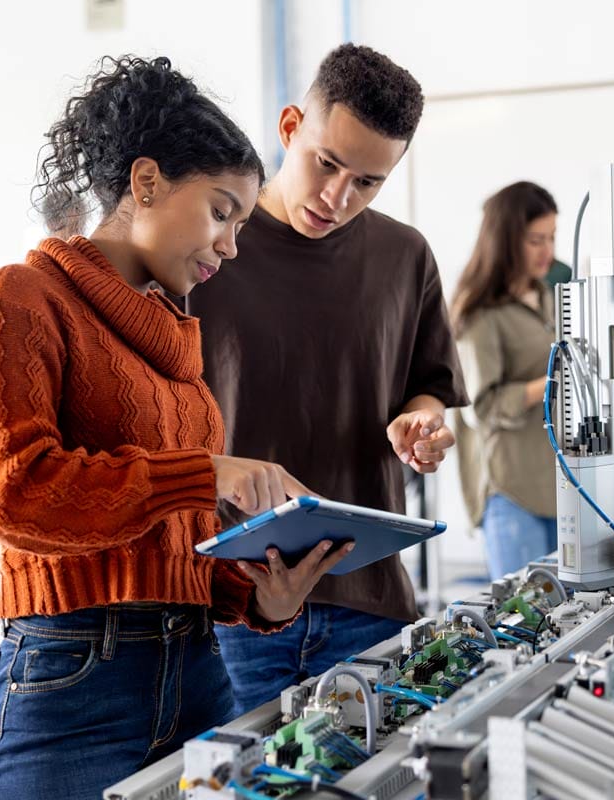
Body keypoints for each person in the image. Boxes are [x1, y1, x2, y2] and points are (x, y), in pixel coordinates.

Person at [0, 56, 351, 800]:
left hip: (197, 669)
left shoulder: (172, 337)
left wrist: (257, 596)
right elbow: (17, 494)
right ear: (147, 181)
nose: (230, 245)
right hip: (72, 681)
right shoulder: (25, 300)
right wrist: (203, 473)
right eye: (222, 212)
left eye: (242, 225)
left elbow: (168, 539)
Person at [185, 44, 468, 715]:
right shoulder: (207, 244)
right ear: (289, 128)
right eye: (327, 163)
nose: (338, 196)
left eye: (367, 181)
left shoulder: (404, 255)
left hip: (368, 598)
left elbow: (429, 386)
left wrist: (422, 424)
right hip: (230, 600)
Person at [450, 182, 559, 581]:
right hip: (511, 491)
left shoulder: (547, 297)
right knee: (526, 624)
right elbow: (481, 408)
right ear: (507, 240)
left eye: (551, 237)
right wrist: (548, 384)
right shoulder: (480, 312)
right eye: (536, 240)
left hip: (557, 485)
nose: (547, 250)